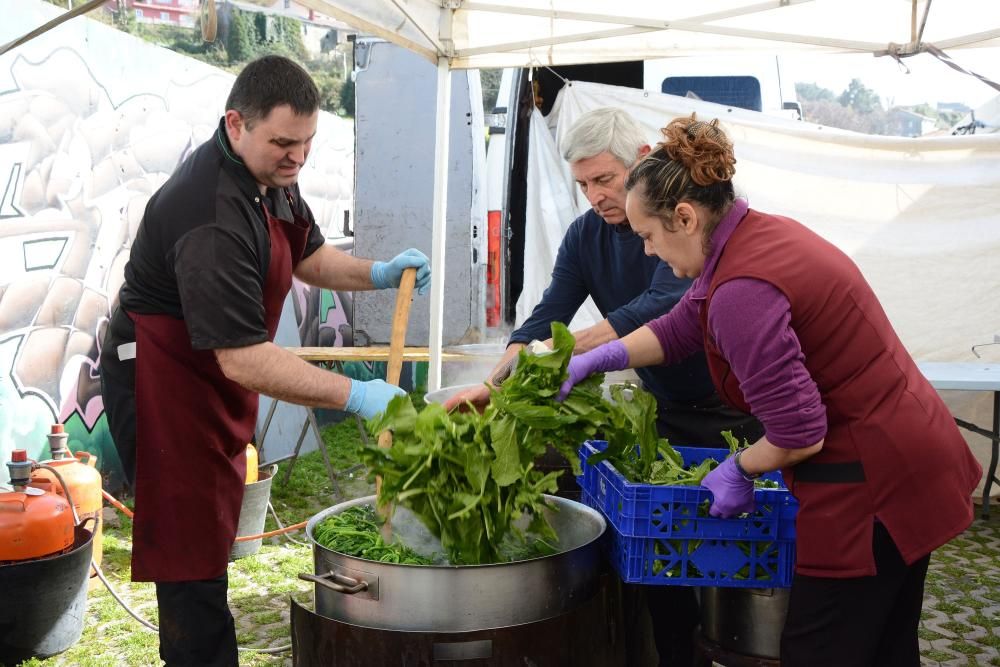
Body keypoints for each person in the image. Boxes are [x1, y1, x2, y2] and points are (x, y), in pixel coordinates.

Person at [558, 114, 983, 666]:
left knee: (819, 649)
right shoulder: (751, 236)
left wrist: (738, 469)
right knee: (884, 645)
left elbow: (799, 432)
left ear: (684, 217)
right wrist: (603, 355)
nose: (647, 253)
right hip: (909, 453)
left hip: (873, 480)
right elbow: (682, 325)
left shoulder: (742, 291)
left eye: (648, 236)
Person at [99, 55, 430, 667]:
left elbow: (309, 255)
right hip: (162, 378)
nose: (297, 158)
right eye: (283, 143)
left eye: (306, 143)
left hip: (210, 371)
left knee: (211, 536)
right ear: (235, 125)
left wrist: (379, 274)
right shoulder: (210, 216)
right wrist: (355, 395)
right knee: (188, 558)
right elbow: (246, 360)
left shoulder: (271, 176)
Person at [445, 107, 760, 667]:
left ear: (640, 163)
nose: (594, 195)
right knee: (663, 564)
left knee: (732, 561)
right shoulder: (586, 236)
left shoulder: (681, 226)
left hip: (733, 413)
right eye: (584, 184)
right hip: (662, 413)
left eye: (604, 179)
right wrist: (494, 384)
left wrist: (573, 353)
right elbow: (546, 315)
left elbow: (663, 306)